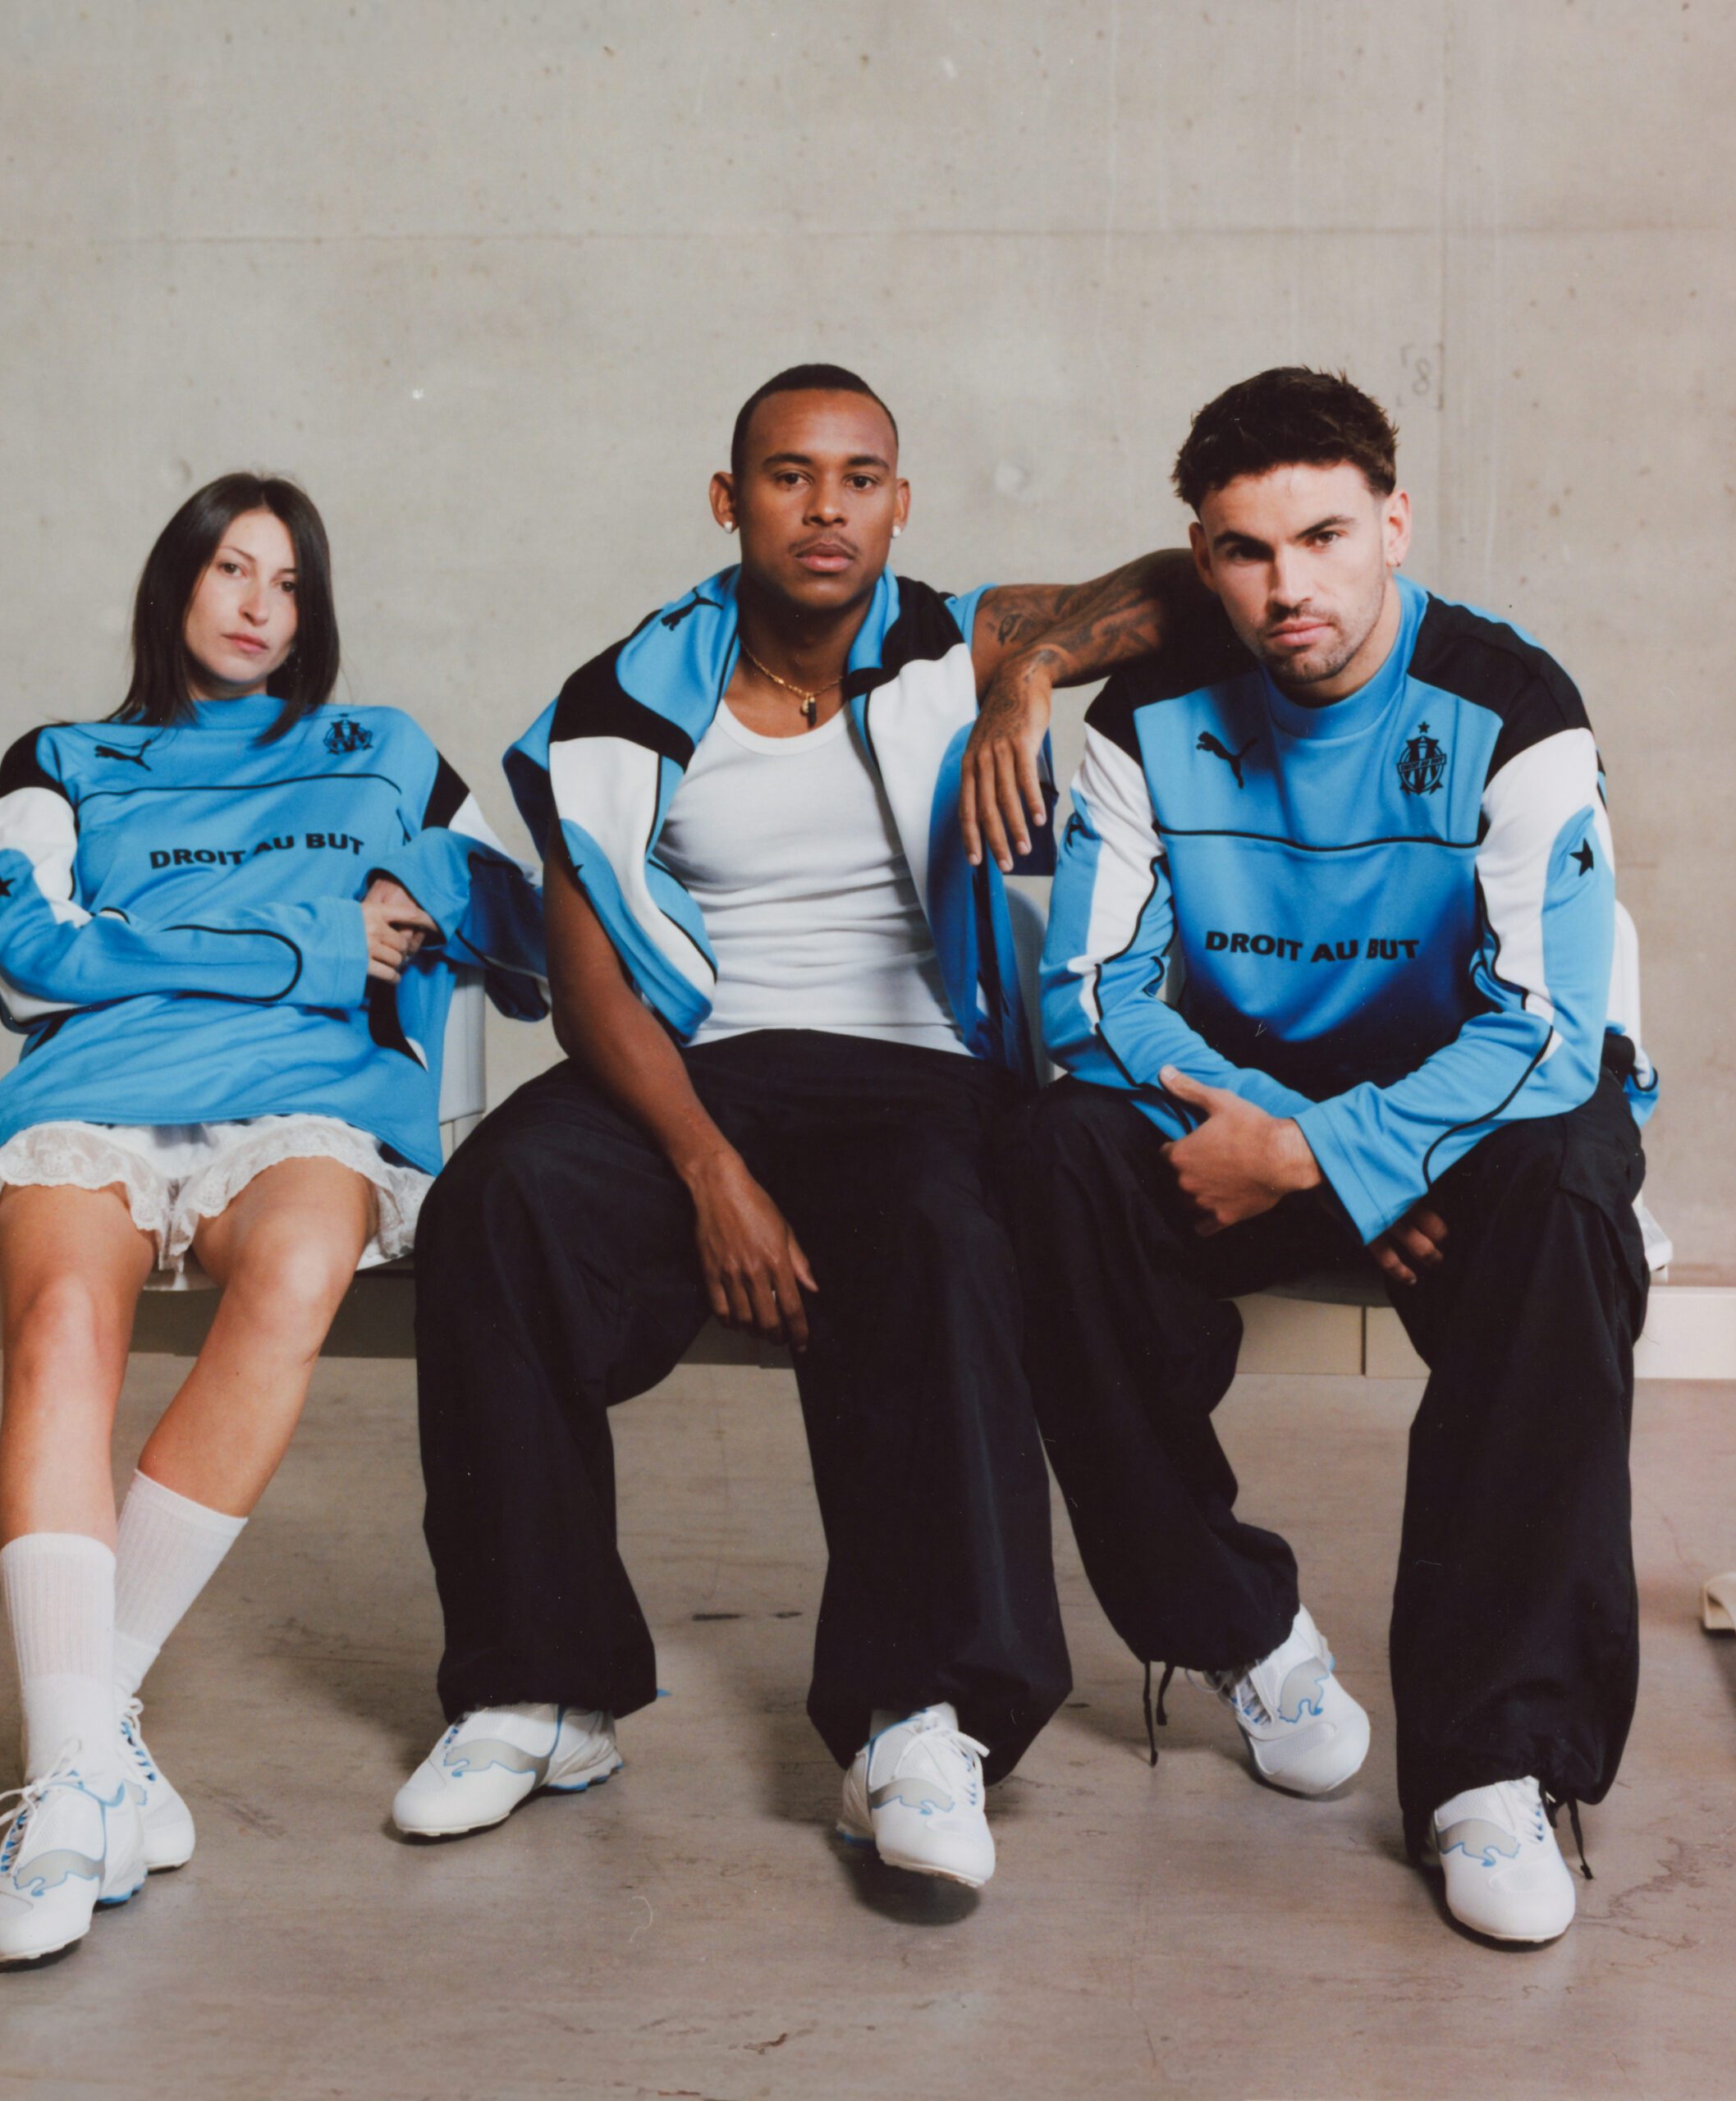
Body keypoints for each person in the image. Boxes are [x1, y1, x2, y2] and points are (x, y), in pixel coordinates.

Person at [394, 364, 1189, 1893]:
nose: (827, 509)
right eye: (789, 475)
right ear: (728, 499)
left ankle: (920, 1719)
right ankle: (536, 1689)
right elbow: (589, 987)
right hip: (705, 1066)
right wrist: (712, 1171)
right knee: (499, 1202)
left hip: (919, 1069)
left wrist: (1026, 680)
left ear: (899, 503)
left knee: (948, 1237)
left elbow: (1170, 583)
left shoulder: (956, 642)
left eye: (860, 478)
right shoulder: (625, 700)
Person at [1001, 367, 1659, 1945]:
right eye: (1245, 550)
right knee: (1051, 1159)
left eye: (1324, 537)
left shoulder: (1513, 707)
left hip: (1471, 1108)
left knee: (1570, 1189)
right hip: (1246, 1103)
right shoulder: (1147, 721)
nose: (1287, 585)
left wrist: (1340, 1162)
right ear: (1201, 557)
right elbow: (1089, 997)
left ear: (1395, 525)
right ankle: (1241, 1630)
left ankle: (1493, 1765)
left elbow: (1548, 1029)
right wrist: (1290, 1139)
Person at [0, 473, 547, 1966]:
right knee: (65, 1315)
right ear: (176, 582)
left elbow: (518, 942)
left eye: (291, 582)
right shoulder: (62, 758)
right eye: (232, 569)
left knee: (304, 1263)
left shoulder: (386, 754)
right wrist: (318, 936)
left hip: (309, 1099)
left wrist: (446, 886)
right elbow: (35, 963)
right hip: (99, 1088)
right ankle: (79, 1784)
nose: (260, 605)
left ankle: (79, 1749)